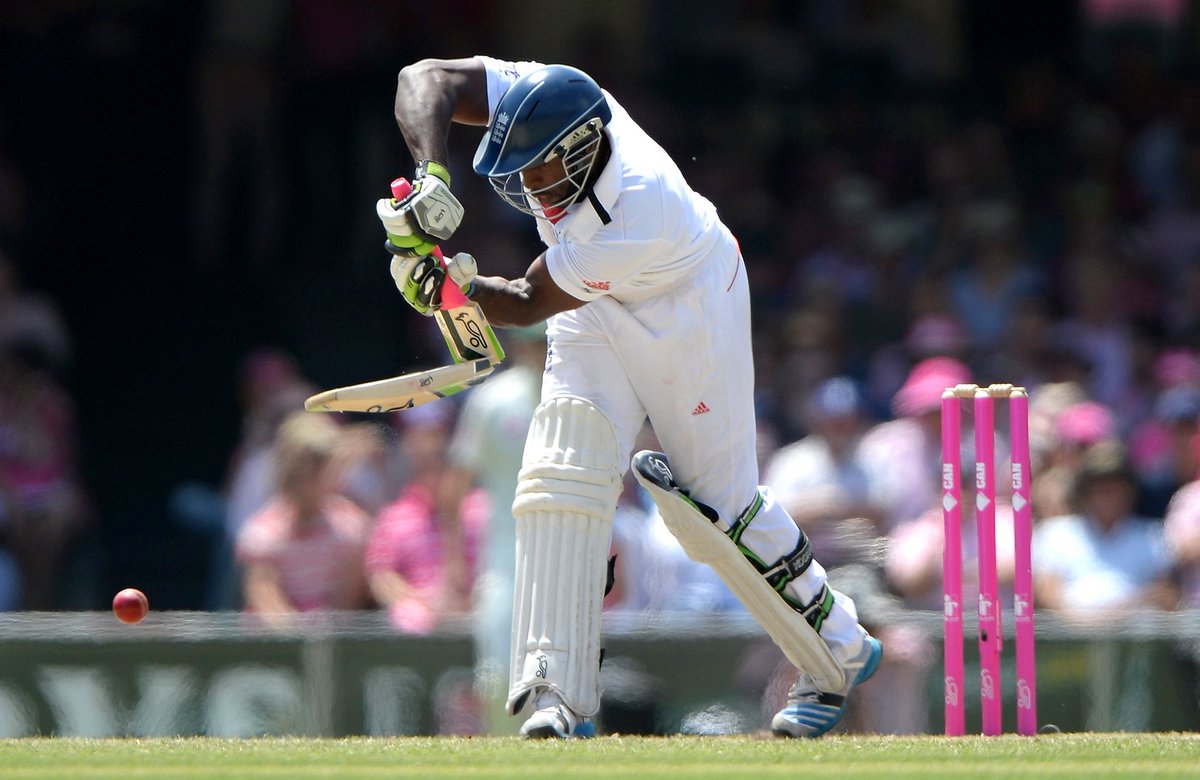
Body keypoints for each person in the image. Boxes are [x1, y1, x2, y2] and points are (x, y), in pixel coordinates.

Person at [373, 56, 880, 739]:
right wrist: (434, 173)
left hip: (689, 306)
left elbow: (524, 300)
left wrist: (448, 289)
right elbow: (425, 78)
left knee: (712, 512)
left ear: (582, 151)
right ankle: (553, 690)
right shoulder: (548, 95)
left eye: (541, 169)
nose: (527, 183)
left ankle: (839, 651)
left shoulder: (637, 208)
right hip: (593, 304)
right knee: (558, 467)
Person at [235, 412, 370, 629]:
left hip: (335, 642)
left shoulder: (352, 528)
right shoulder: (262, 533)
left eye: (320, 466)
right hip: (277, 647)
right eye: (303, 467)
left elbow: (350, 600)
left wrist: (322, 635)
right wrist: (297, 634)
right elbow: (264, 593)